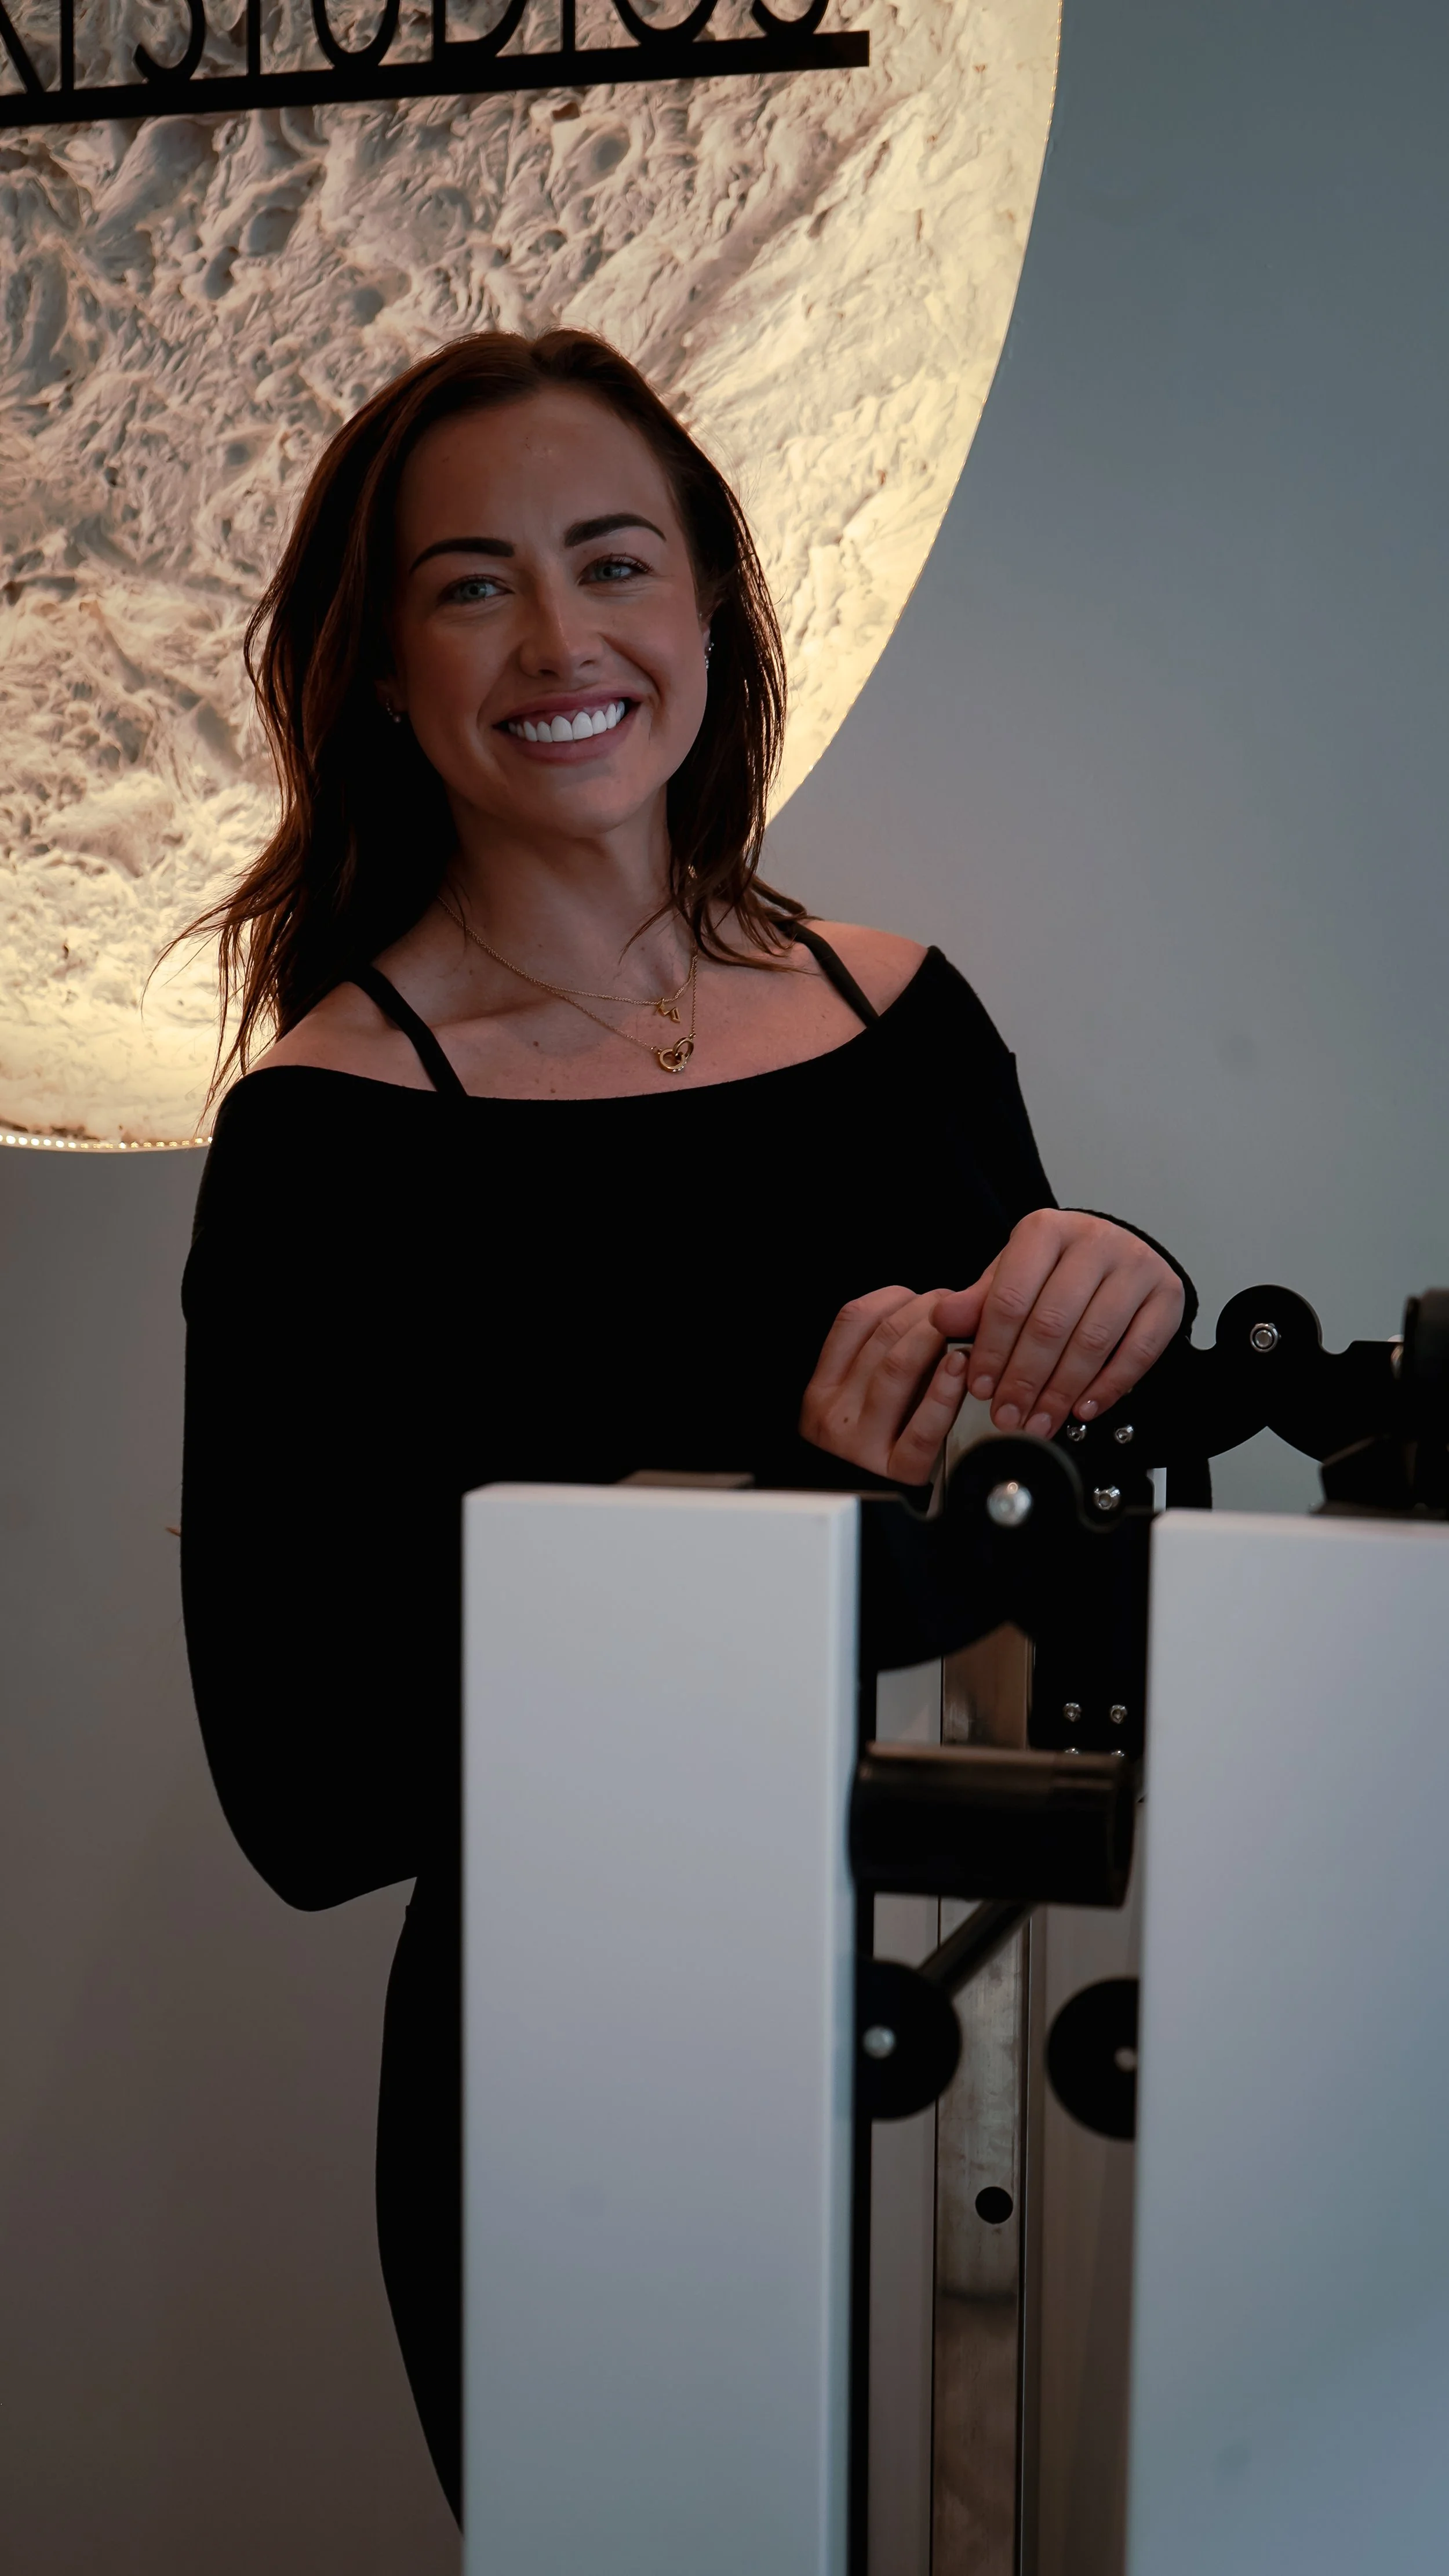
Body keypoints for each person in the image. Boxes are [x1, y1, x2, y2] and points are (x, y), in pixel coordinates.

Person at [178, 328, 1190, 2525]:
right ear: (381, 675)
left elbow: (1055, 1550)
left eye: (612, 560)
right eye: (472, 585)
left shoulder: (903, 1017)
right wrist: (785, 1519)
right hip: (583, 2082)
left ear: (711, 609)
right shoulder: (326, 1140)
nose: (561, 641)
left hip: (994, 2036)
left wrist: (1124, 1294)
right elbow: (306, 1787)